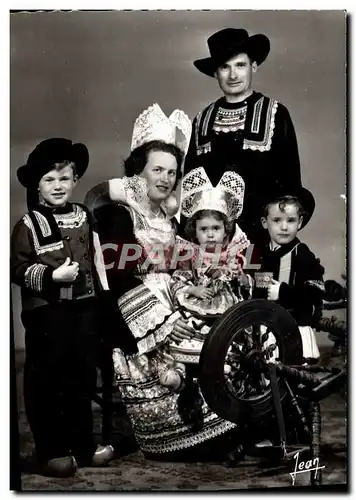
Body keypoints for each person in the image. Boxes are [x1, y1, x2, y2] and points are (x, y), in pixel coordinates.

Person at [93, 104, 246, 461]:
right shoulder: (120, 215)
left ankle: (225, 428)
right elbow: (117, 278)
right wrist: (163, 320)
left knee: (224, 339)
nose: (165, 178)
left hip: (178, 302)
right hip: (138, 317)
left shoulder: (169, 219)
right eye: (156, 170)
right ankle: (193, 436)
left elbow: (189, 265)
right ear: (137, 173)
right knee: (197, 352)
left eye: (172, 172)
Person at [11, 138, 114, 477]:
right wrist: (52, 275)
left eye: (64, 178)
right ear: (37, 185)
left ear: (74, 180)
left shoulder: (83, 215)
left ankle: (82, 444)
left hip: (84, 309)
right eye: (49, 180)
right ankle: (51, 450)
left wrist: (103, 295)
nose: (58, 186)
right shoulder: (28, 225)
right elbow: (17, 269)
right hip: (47, 313)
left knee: (81, 375)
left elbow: (97, 258)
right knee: (48, 378)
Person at [184, 28, 303, 243]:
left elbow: (291, 186)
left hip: (262, 240)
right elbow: (190, 192)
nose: (232, 75)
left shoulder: (275, 113)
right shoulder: (202, 120)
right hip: (213, 243)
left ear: (253, 66)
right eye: (224, 67)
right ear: (215, 73)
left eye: (240, 65)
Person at [159, 167, 251, 392]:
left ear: (226, 231)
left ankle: (226, 378)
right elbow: (178, 280)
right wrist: (194, 291)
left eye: (216, 228)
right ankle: (181, 375)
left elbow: (241, 278)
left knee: (229, 339)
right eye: (204, 229)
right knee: (185, 333)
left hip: (225, 310)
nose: (210, 234)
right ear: (195, 231)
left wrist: (235, 275)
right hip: (196, 309)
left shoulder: (232, 253)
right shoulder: (190, 254)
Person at [253, 186, 325, 364]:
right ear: (264, 222)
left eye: (290, 220)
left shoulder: (302, 254)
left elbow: (315, 295)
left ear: (299, 222)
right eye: (277, 220)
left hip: (296, 329)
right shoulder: (263, 255)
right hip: (267, 331)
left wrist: (284, 293)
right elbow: (260, 292)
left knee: (295, 376)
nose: (284, 227)